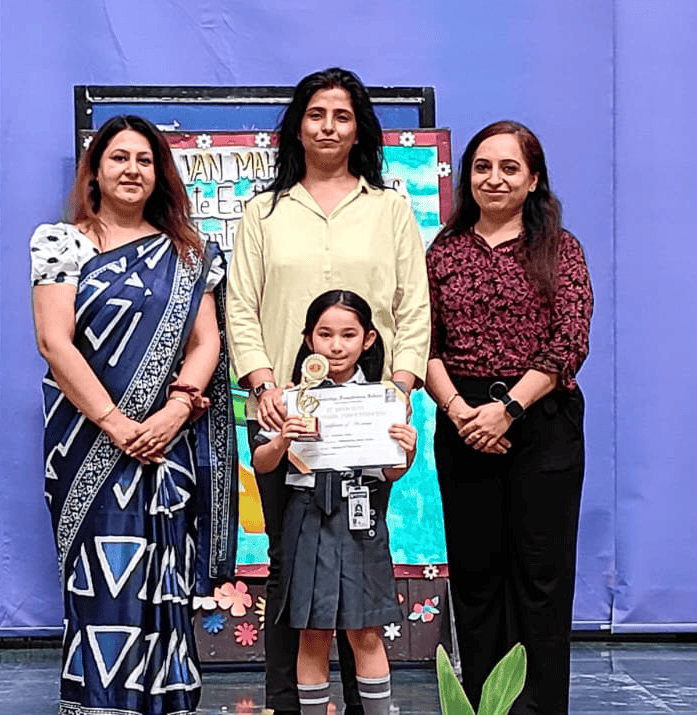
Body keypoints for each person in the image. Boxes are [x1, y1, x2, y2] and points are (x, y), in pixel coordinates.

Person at [225, 67, 431, 715]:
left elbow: (414, 307)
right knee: (293, 564)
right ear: (298, 125)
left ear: (359, 127)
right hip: (289, 413)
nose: (328, 127)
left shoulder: (391, 207)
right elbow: (240, 309)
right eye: (316, 114)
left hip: (370, 417)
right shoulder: (264, 211)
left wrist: (397, 392)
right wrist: (262, 385)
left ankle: (365, 701)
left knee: (357, 559)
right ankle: (292, 703)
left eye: (342, 116)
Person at [30, 114, 236, 715]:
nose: (132, 170)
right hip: (87, 444)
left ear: (160, 174)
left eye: (144, 160)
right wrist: (118, 425)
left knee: (160, 582)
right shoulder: (60, 242)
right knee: (101, 583)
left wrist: (175, 410)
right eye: (118, 158)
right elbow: (54, 343)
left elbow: (206, 341)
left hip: (166, 448)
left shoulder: (188, 253)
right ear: (95, 170)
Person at [425, 121, 593, 715]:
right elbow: (425, 343)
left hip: (539, 420)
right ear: (467, 176)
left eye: (509, 168)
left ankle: (540, 708)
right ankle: (481, 709)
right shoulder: (442, 251)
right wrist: (461, 412)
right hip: (462, 417)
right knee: (476, 578)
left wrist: (509, 409)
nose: (494, 179)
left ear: (534, 179)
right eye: (482, 167)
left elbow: (568, 341)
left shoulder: (560, 249)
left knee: (540, 581)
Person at [250, 290, 415, 715]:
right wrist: (284, 436)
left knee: (366, 631)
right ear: (308, 340)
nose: (336, 345)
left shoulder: (383, 400)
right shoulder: (290, 398)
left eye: (348, 334)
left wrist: (407, 451)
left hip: (361, 519)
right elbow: (262, 462)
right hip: (307, 518)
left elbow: (393, 471)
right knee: (312, 631)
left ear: (369, 340)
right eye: (325, 334)